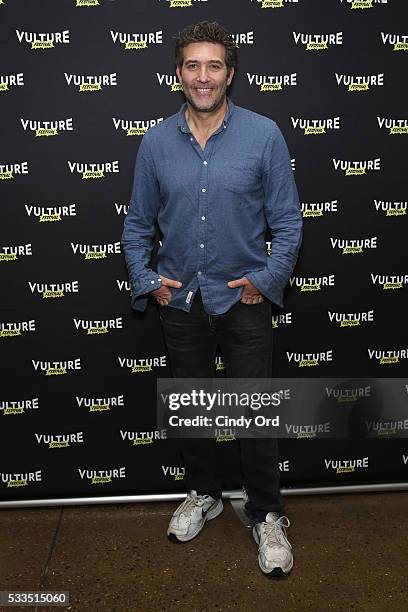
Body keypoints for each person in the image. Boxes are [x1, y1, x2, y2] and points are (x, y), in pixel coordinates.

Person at [121, 20, 302, 577]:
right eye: (192, 66)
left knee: (253, 415)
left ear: (230, 73)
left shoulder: (264, 134)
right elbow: (136, 225)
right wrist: (148, 281)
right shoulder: (155, 141)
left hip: (244, 301)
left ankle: (267, 513)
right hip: (181, 303)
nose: (203, 77)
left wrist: (264, 281)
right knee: (194, 411)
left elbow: (289, 224)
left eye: (214, 66)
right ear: (178, 74)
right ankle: (206, 493)